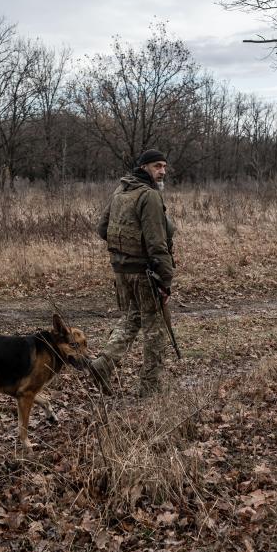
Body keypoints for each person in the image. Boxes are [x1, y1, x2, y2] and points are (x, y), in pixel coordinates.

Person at [89, 149, 176, 397]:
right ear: (144, 167)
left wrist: (125, 249)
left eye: (164, 166)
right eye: (157, 166)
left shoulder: (122, 190)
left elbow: (102, 228)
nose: (162, 171)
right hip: (144, 272)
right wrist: (165, 281)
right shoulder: (148, 196)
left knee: (132, 318)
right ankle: (150, 389)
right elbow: (157, 244)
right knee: (156, 330)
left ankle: (103, 365)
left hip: (121, 269)